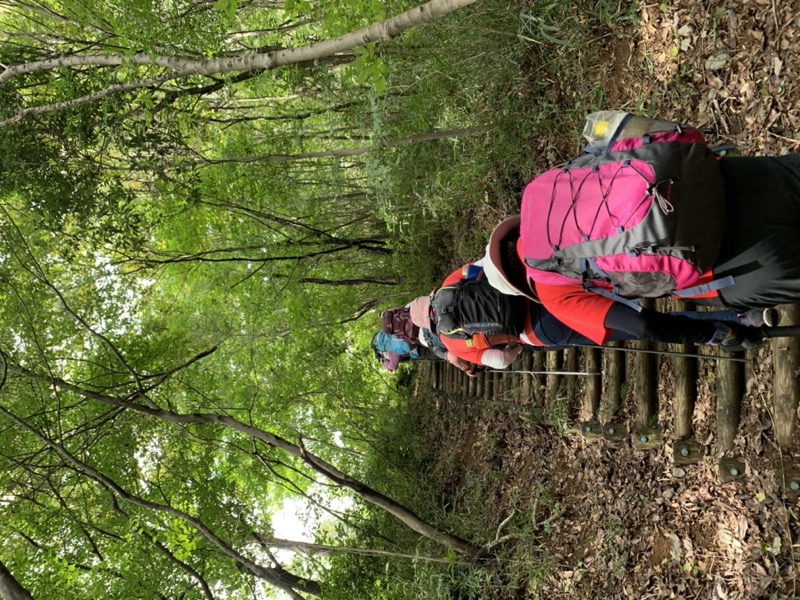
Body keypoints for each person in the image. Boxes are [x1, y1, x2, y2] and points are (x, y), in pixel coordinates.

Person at [409, 252, 760, 374]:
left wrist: (514, 342)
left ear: (427, 328)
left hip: (541, 330)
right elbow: (489, 266)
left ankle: (732, 323)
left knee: (630, 326)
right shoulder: (450, 283)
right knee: (625, 285)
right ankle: (716, 291)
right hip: (543, 286)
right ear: (428, 299)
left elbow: (502, 360)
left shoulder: (453, 344)